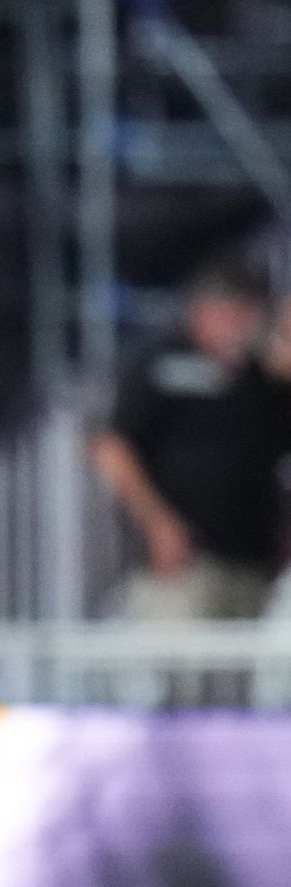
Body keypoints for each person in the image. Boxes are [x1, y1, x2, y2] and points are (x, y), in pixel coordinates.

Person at [91, 256, 291, 621]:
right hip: (183, 561)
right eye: (236, 312)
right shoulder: (160, 359)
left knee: (240, 671)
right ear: (206, 309)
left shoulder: (260, 375)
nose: (244, 326)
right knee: (186, 666)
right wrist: (157, 524)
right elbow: (111, 447)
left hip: (252, 560)